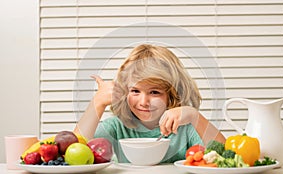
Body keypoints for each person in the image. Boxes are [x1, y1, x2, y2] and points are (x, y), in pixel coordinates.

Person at [74, 44, 225, 163]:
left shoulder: (186, 129)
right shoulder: (116, 127)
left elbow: (226, 155)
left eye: (154, 92)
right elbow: (73, 155)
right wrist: (98, 103)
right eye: (135, 91)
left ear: (171, 95)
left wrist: (194, 116)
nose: (143, 102)